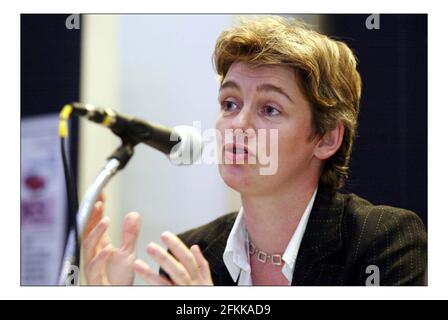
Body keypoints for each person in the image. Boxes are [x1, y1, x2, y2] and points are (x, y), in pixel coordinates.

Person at [81, 16, 427, 286]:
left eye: (269, 109)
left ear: (326, 138)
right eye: (230, 103)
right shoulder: (190, 253)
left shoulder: (383, 240)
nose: (238, 123)